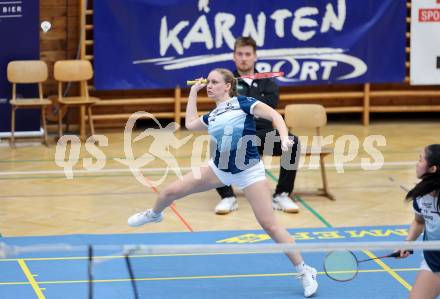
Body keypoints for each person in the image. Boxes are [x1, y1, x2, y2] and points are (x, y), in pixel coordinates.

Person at [127, 68, 318, 297]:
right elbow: (190, 124)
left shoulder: (244, 103)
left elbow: (276, 116)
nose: (209, 85)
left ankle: (305, 270)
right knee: (169, 192)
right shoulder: (213, 115)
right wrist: (193, 93)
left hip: (249, 172)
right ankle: (154, 214)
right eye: (208, 82)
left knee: (270, 225)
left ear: (227, 86)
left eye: (214, 82)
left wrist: (285, 138)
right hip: (219, 169)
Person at [214, 36, 300, 215]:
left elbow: (268, 109)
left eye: (247, 54)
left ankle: (282, 194)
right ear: (234, 57)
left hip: (263, 135)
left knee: (293, 141)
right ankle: (227, 197)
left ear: (255, 57)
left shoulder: (269, 83)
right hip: (237, 135)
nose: (244, 58)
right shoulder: (224, 83)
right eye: (240, 54)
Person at [398, 144, 440, 299]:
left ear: (432, 169)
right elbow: (419, 222)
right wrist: (408, 243)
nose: (417, 163)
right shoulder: (421, 195)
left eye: (421, 160)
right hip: (434, 261)